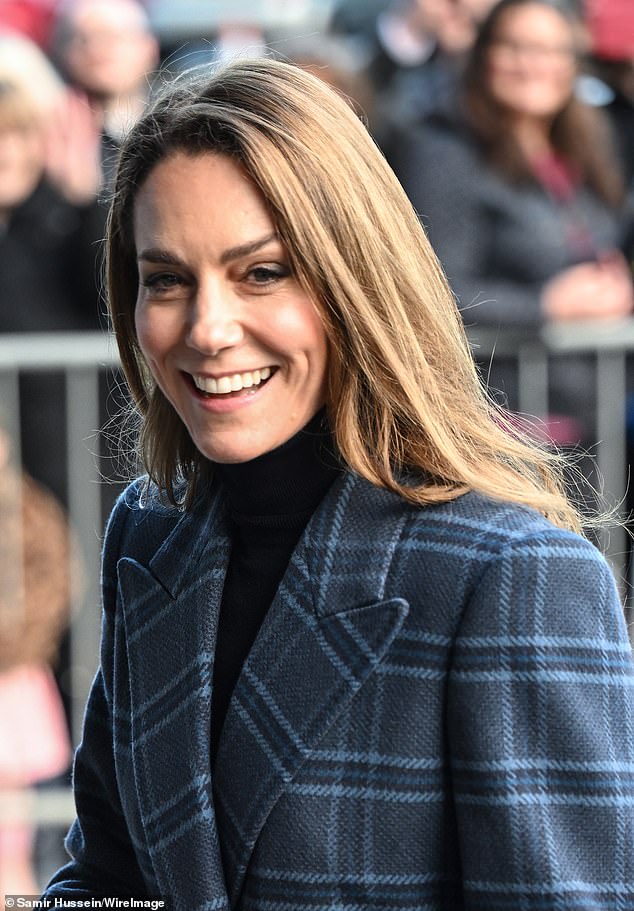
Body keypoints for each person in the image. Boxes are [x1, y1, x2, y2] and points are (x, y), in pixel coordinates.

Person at [43, 57, 634, 910]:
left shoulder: (512, 575)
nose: (207, 329)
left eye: (263, 272)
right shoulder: (151, 531)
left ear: (356, 279)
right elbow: (105, 879)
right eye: (166, 279)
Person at [391, 0, 634, 445]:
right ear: (484, 53)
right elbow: (434, 292)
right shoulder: (444, 151)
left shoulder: (581, 146)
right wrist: (546, 307)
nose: (533, 64)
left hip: (592, 415)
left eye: (552, 50)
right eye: (515, 46)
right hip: (505, 423)